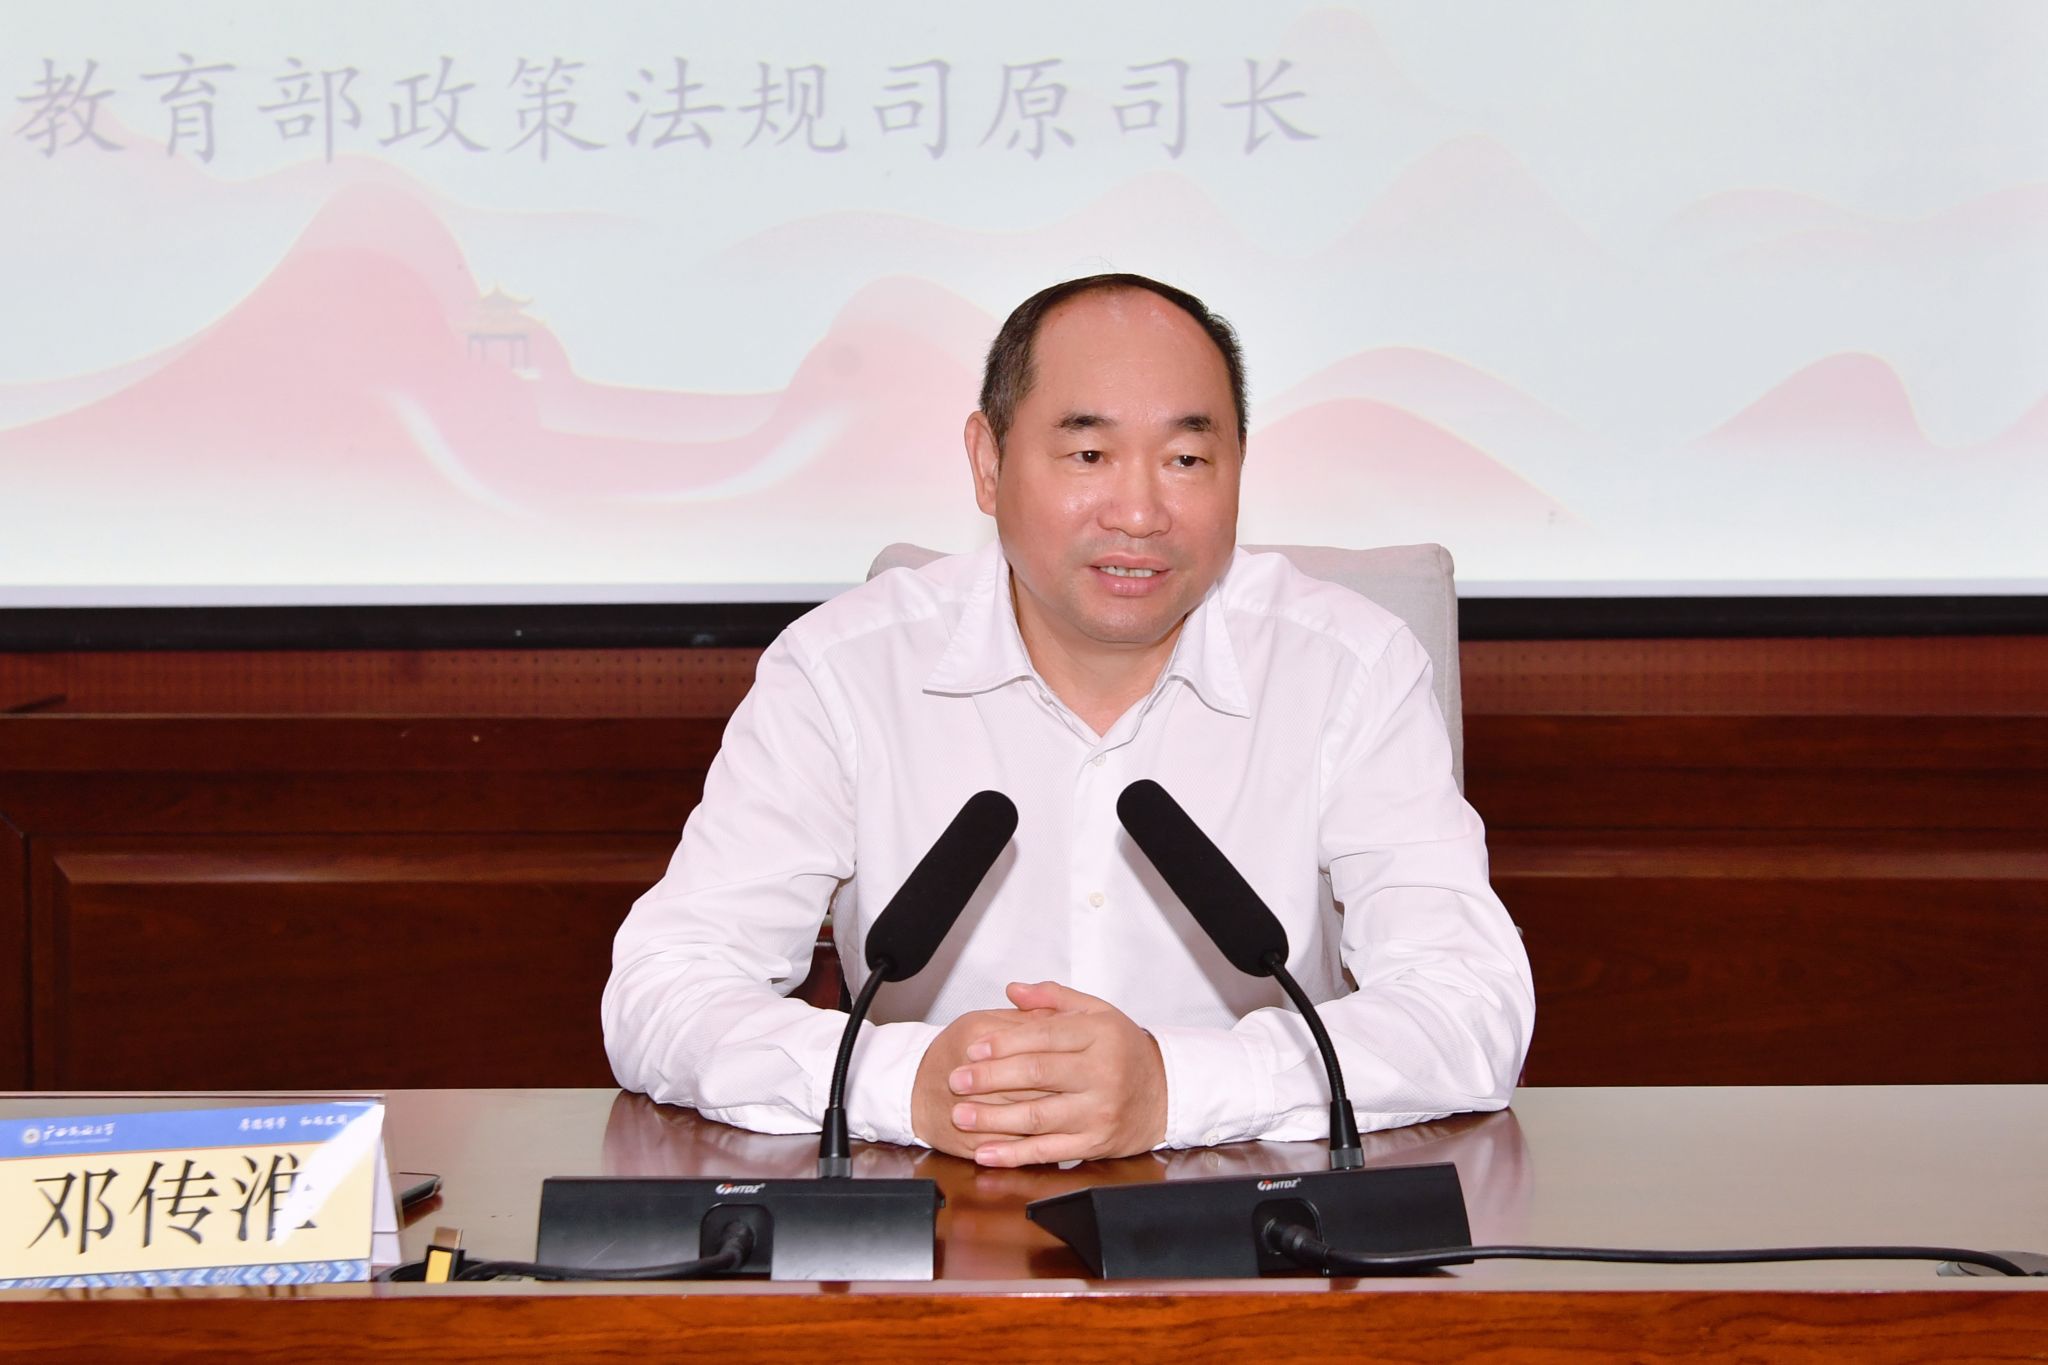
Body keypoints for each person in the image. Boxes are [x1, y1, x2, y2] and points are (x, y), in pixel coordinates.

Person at [604, 274, 1534, 1167]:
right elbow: (665, 986)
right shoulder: (842, 671)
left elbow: (1470, 1004)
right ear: (988, 462)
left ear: (1239, 469)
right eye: (1089, 455)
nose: (1139, 512)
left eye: (1186, 459)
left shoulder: (1349, 669)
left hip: (1258, 1217)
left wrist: (1175, 1087)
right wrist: (912, 1083)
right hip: (935, 1216)